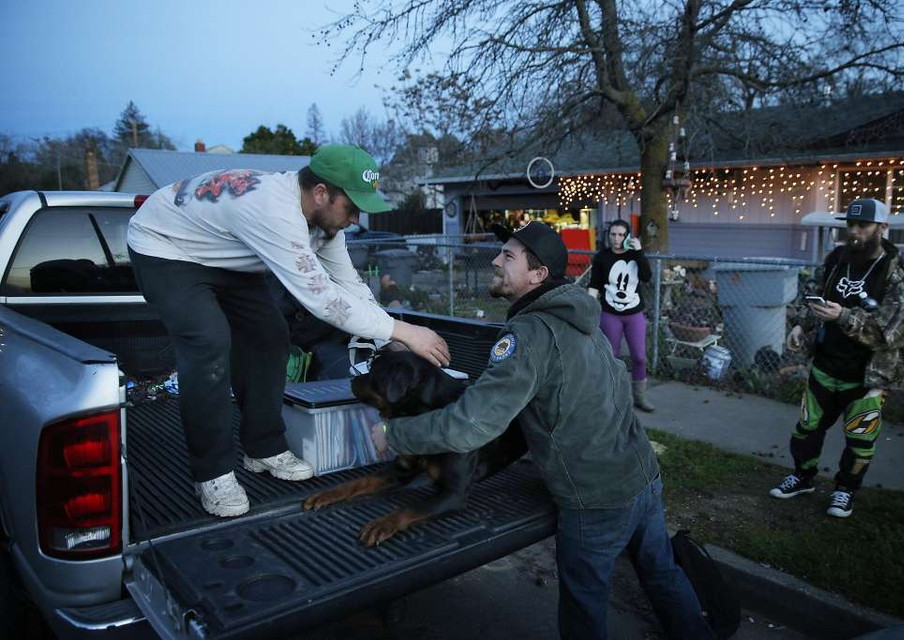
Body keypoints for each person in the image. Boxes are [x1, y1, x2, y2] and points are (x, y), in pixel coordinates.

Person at [381, 222, 713, 640]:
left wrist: (395, 435)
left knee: (584, 603)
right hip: (642, 476)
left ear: (537, 276)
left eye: (508, 256)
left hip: (597, 498)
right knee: (662, 575)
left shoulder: (529, 335)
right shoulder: (584, 322)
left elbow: (471, 424)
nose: (495, 261)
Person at [126, 145, 449, 518]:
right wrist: (405, 330)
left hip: (225, 251)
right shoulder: (274, 213)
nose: (356, 218)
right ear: (321, 193)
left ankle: (263, 447)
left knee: (270, 334)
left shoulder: (324, 223)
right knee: (208, 342)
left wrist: (386, 335)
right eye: (352, 207)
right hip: (166, 246)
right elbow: (322, 299)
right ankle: (211, 472)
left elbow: (347, 283)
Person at [769, 198, 904, 518]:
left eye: (863, 226)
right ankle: (803, 477)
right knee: (806, 429)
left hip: (867, 377)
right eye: (850, 225)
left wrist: (842, 316)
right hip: (825, 367)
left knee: (859, 440)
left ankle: (845, 490)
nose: (854, 231)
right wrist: (802, 324)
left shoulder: (900, 274)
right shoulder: (837, 259)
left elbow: (895, 331)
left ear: (882, 228)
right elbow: (813, 294)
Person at [588, 220, 655, 411]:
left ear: (627, 236)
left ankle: (639, 398)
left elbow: (646, 277)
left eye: (620, 235)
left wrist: (640, 252)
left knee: (640, 357)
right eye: (613, 234)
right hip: (610, 314)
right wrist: (589, 306)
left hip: (634, 314)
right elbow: (595, 284)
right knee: (612, 357)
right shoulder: (602, 257)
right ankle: (612, 397)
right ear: (608, 235)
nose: (616, 239)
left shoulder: (635, 255)